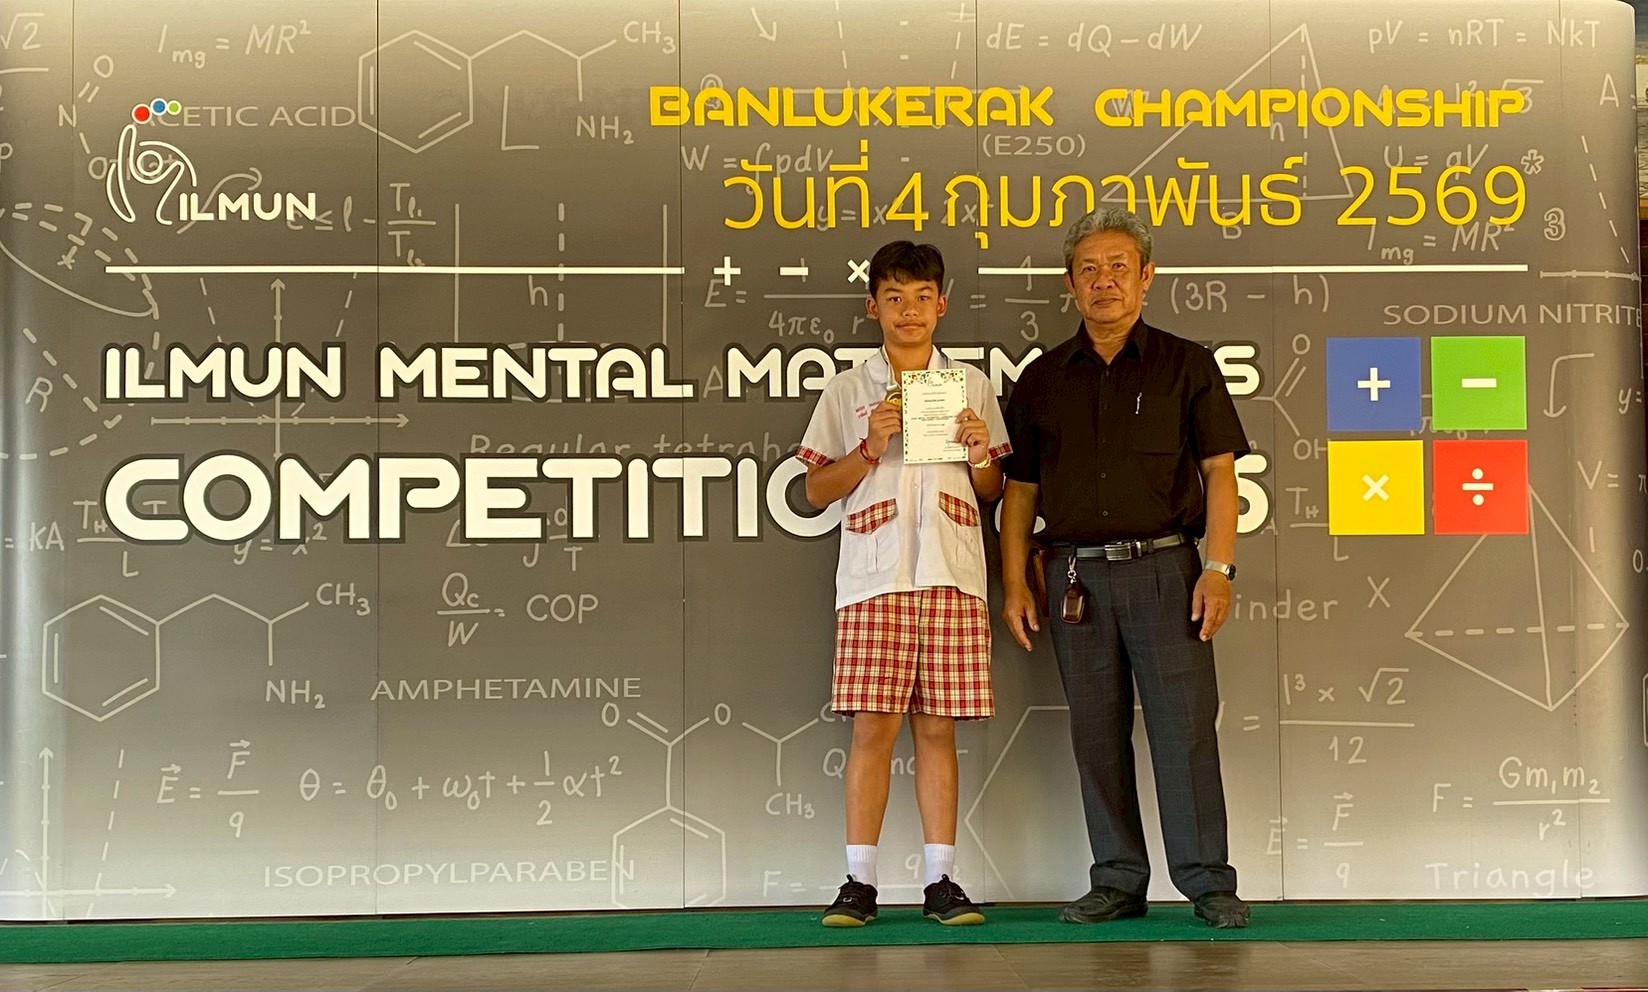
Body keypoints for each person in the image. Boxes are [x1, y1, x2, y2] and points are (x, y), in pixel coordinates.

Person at [997, 207, 1251, 929]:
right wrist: (1014, 582)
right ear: (1069, 284)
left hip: (1170, 574)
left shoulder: (1187, 365)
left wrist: (1219, 568)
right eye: (1089, 270)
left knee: (1186, 731)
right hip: (1075, 579)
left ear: (1146, 277)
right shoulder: (1042, 379)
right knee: (1095, 734)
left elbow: (1220, 474)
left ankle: (1208, 882)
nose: (1103, 281)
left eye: (1118, 268)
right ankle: (1116, 879)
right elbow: (1020, 493)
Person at [796, 240, 1011, 927]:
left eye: (921, 297)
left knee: (937, 728)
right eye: (894, 297)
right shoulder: (848, 389)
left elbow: (992, 488)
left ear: (941, 304)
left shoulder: (971, 385)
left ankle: (941, 881)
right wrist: (868, 447)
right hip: (875, 576)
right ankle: (858, 883)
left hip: (950, 571)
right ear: (873, 307)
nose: (909, 310)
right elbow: (814, 491)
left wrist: (980, 451)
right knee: (873, 728)